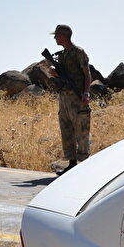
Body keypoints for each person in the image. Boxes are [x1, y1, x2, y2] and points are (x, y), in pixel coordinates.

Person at [47, 24, 93, 172]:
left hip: (77, 97)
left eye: (57, 35)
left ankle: (85, 167)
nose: (55, 38)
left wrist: (86, 93)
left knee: (82, 131)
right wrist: (55, 73)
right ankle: (72, 165)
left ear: (64, 36)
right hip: (64, 98)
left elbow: (87, 73)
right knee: (66, 130)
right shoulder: (62, 55)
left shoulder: (78, 52)